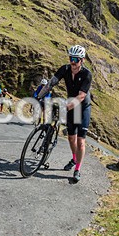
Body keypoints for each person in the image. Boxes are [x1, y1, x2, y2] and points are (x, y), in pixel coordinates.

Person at [37, 45, 92, 183]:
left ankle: (77, 169)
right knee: (71, 138)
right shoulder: (65, 69)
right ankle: (74, 158)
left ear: (82, 60)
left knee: (80, 141)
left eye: (76, 59)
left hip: (82, 107)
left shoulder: (87, 74)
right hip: (70, 105)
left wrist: (66, 108)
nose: (73, 62)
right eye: (71, 58)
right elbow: (51, 83)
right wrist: (39, 97)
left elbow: (80, 97)